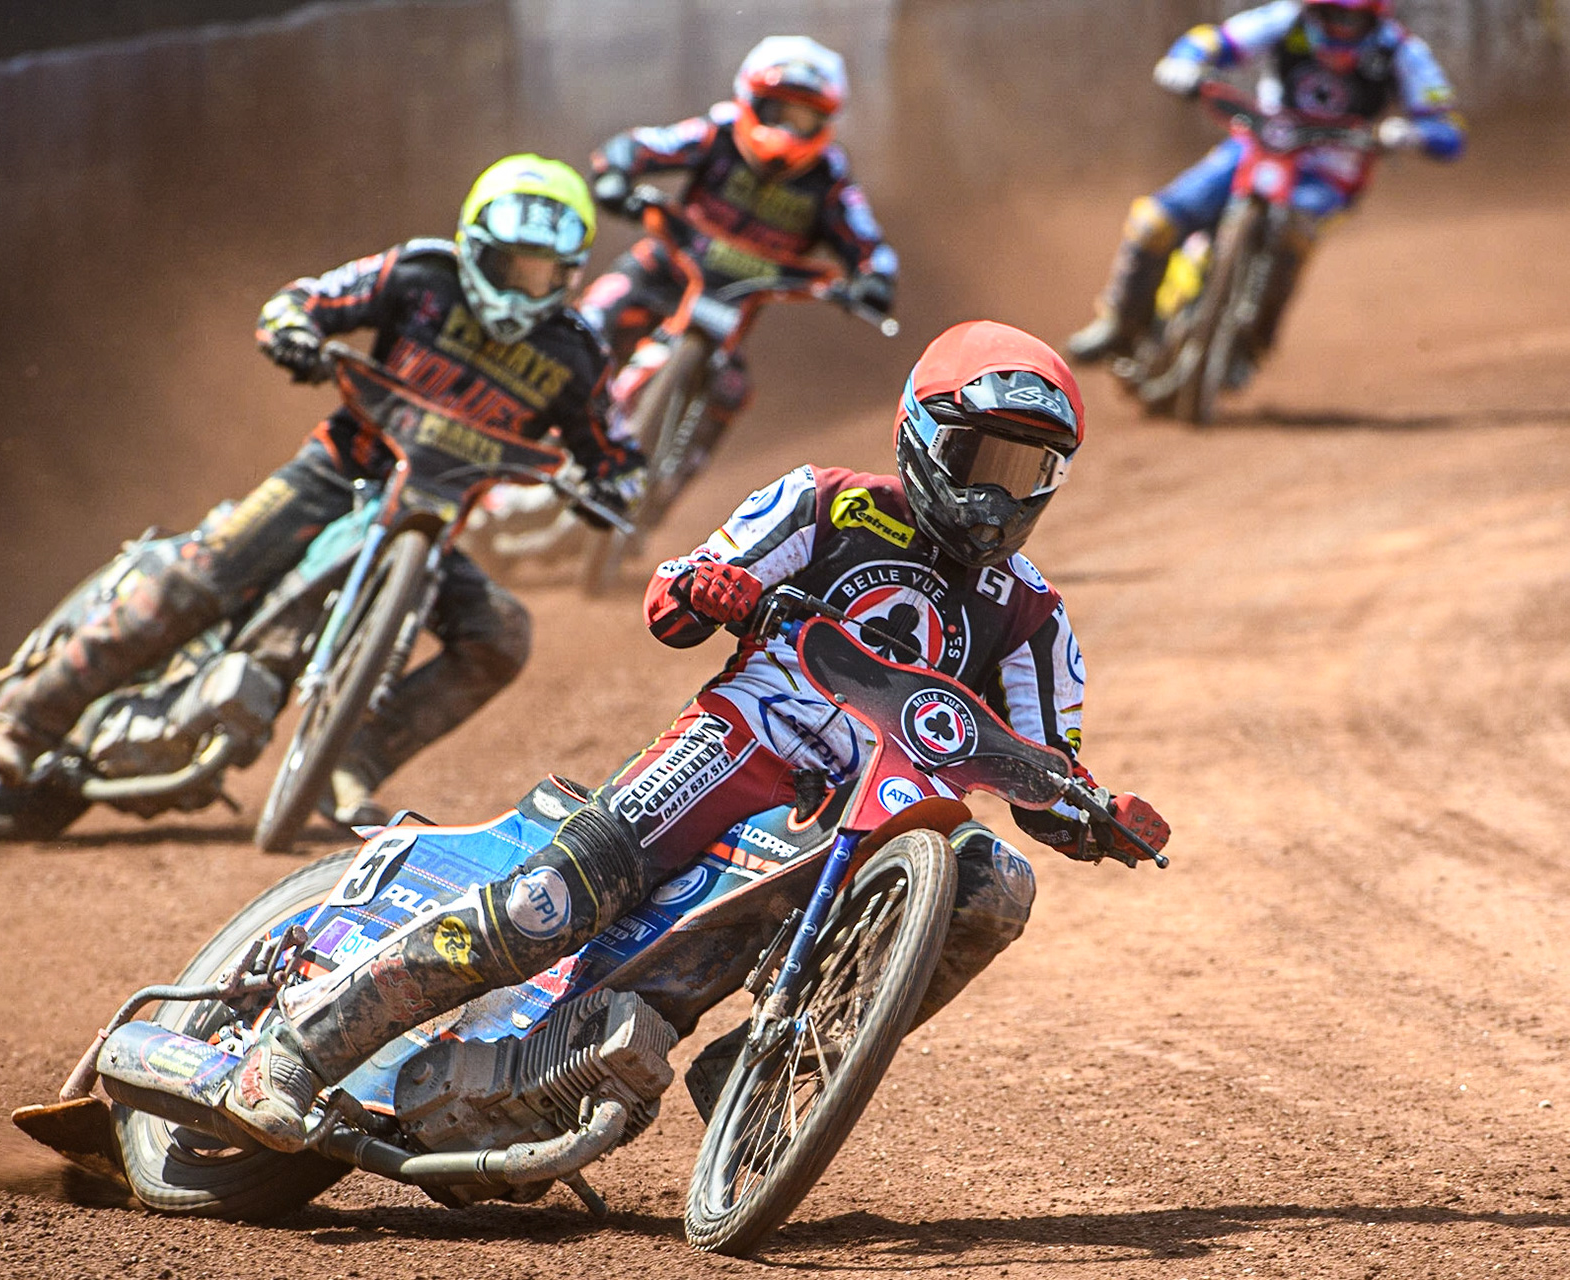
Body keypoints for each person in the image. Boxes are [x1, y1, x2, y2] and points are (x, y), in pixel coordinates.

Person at [217, 321, 1171, 1148]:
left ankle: (777, 1065)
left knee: (996, 885)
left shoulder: (1034, 616)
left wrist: (1095, 813)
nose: (997, 498)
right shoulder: (823, 500)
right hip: (740, 745)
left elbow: (1046, 769)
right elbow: (675, 599)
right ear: (923, 436)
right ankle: (299, 1049)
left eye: (1027, 473)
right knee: (550, 903)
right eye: (984, 461)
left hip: (861, 819)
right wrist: (703, 586)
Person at [0, 155, 642, 828]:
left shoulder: (576, 355)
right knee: (200, 575)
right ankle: (27, 720)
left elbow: (612, 448)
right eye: (510, 268)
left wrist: (612, 481)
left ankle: (351, 762)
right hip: (331, 475)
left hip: (432, 525)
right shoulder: (419, 277)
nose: (524, 291)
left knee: (501, 636)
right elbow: (305, 301)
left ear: (571, 274)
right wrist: (293, 332)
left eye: (544, 274)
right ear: (474, 249)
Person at [1067, 0, 1465, 368]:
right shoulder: (1286, 19)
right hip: (1257, 147)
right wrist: (1184, 62)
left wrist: (1413, 133)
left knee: (1295, 233)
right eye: (1330, 16)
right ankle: (1120, 323)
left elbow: (1448, 128)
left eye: (1352, 20)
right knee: (1154, 221)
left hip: (1330, 171)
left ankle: (1253, 342)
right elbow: (1215, 39)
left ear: (1375, 17)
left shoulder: (1401, 50)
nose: (1340, 29)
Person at [579, 35, 899, 442]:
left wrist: (874, 280)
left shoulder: (830, 176)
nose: (788, 127)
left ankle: (661, 490)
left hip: (730, 309)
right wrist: (615, 174)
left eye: (803, 118)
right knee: (588, 322)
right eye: (779, 109)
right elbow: (641, 145)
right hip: (661, 269)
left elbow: (869, 242)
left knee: (731, 392)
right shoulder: (719, 131)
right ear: (751, 99)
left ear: (825, 122)